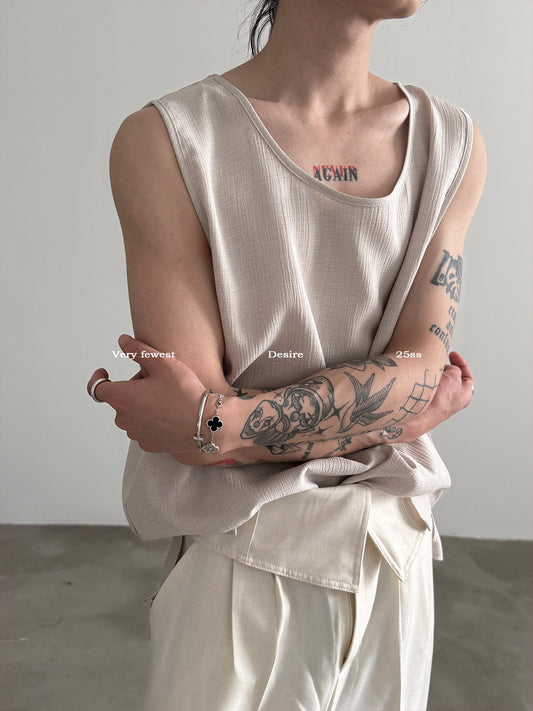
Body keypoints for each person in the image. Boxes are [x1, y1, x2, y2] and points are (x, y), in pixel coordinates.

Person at [87, 0, 486, 708]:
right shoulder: (170, 141)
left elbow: (206, 421)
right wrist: (398, 410)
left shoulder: (450, 142)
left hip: (394, 559)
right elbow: (195, 414)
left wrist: (224, 425)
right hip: (244, 561)